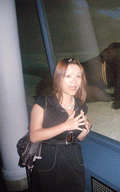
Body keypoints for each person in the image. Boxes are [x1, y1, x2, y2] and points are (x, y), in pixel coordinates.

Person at [29, 58, 92, 192]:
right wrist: (65, 126)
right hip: (49, 162)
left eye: (78, 76)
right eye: (68, 76)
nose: (74, 81)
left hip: (73, 161)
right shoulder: (43, 103)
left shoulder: (81, 106)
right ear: (58, 78)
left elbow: (77, 138)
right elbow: (34, 136)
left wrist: (86, 130)